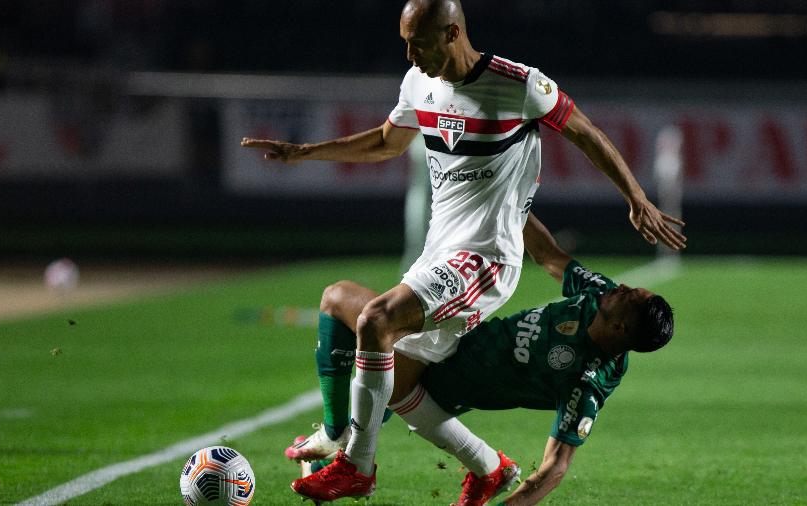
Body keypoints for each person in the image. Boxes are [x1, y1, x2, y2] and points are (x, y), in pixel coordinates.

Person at [242, 0, 686, 500]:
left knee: (375, 320)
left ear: (452, 32)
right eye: (405, 42)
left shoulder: (518, 85)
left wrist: (635, 195)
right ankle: (484, 464)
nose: (410, 55)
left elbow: (584, 132)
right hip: (439, 253)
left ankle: (356, 465)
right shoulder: (419, 82)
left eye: (420, 42)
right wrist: (307, 153)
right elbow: (388, 142)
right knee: (358, 323)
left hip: (487, 261)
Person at [300, 213, 676, 505]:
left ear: (622, 329)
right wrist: (513, 200)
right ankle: (484, 468)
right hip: (461, 331)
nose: (621, 287)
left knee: (351, 316)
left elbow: (556, 466)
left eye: (629, 296)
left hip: (453, 381)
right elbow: (547, 254)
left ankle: (342, 445)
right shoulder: (600, 293)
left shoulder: (587, 379)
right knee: (355, 327)